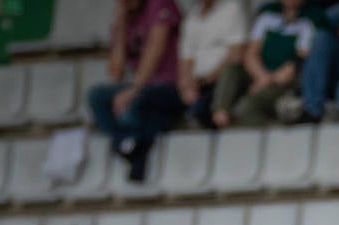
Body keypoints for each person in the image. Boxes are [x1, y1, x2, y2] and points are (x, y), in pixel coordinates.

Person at [88, 0, 185, 182]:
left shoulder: (159, 5)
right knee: (97, 96)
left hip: (168, 85)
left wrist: (134, 89)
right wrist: (120, 24)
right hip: (139, 87)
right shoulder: (127, 17)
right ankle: (127, 142)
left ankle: (131, 146)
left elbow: (156, 48)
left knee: (137, 103)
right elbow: (116, 73)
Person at [211, 0, 316, 128]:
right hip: (259, 74)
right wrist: (261, 77)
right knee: (232, 69)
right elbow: (251, 54)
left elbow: (294, 66)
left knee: (248, 107)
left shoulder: (306, 25)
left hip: (281, 83)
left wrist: (266, 82)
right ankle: (221, 112)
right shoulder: (267, 18)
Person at [177, 0, 248, 129]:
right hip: (196, 85)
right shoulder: (192, 15)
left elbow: (236, 53)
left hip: (219, 81)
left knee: (200, 111)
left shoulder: (231, 8)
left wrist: (209, 77)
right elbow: (186, 56)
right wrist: (187, 85)